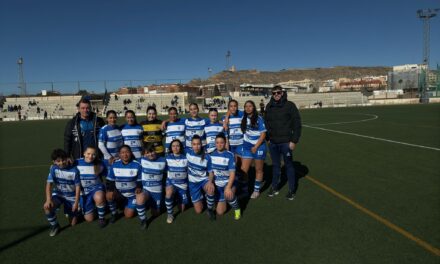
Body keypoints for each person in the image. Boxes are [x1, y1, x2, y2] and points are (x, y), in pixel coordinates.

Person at [264, 85, 302, 200]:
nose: (276, 95)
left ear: (282, 93)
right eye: (274, 93)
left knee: (289, 166)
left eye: (278, 93)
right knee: (276, 166)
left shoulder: (290, 105)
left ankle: (292, 190)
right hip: (273, 143)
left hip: (286, 143)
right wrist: (268, 139)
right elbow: (266, 124)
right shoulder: (269, 106)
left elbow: (297, 124)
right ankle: (275, 187)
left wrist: (294, 141)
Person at [43, 149, 81, 236]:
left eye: (63, 160)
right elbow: (49, 185)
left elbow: (78, 187)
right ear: (54, 162)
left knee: (73, 224)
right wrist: (48, 200)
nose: (61, 162)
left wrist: (76, 203)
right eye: (58, 161)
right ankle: (55, 226)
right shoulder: (53, 169)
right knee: (47, 207)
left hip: (71, 196)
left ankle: (77, 210)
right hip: (59, 194)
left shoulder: (74, 171)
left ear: (67, 159)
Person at [106, 145, 146, 227]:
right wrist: (112, 190)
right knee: (109, 194)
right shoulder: (115, 164)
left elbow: (140, 181)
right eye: (122, 153)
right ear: (119, 154)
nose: (125, 155)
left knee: (128, 215)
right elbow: (110, 180)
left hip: (132, 194)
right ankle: (114, 213)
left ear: (131, 153)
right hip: (119, 193)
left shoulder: (137, 165)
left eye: (127, 152)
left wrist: (138, 187)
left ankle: (131, 205)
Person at [239, 100, 267, 199]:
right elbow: (231, 110)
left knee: (258, 169)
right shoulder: (243, 117)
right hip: (247, 146)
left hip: (258, 146)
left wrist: (255, 147)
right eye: (246, 106)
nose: (248, 108)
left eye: (250, 106)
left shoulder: (259, 118)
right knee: (244, 170)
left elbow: (263, 134)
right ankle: (245, 190)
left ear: (253, 107)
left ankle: (256, 190)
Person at [211, 133, 241, 220]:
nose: (219, 144)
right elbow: (211, 172)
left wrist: (228, 187)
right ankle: (221, 197)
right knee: (220, 212)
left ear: (225, 143)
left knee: (229, 196)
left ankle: (237, 208)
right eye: (217, 142)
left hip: (228, 183)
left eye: (221, 142)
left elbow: (232, 174)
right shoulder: (211, 155)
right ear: (215, 143)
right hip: (217, 185)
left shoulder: (230, 155)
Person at [186, 135, 216, 220]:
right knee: (198, 211)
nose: (196, 146)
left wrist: (210, 182)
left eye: (198, 144)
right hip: (193, 183)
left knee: (211, 189)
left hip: (203, 180)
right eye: (194, 144)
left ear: (201, 145)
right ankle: (202, 196)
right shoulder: (187, 152)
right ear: (191, 145)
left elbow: (210, 173)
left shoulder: (207, 157)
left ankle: (210, 209)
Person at [76, 147, 107, 227]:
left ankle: (101, 218)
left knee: (99, 197)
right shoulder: (76, 163)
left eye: (93, 154)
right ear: (84, 153)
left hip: (96, 188)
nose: (90, 156)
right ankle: (96, 206)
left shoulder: (100, 164)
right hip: (83, 191)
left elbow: (108, 175)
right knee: (89, 219)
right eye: (88, 154)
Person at [137, 143, 166, 222]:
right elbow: (130, 162)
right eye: (147, 152)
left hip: (157, 191)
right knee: (140, 198)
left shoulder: (163, 160)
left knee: (156, 213)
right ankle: (143, 220)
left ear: (155, 151)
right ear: (144, 154)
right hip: (146, 190)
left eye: (152, 151)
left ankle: (159, 203)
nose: (150, 154)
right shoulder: (141, 160)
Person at [164, 139, 188, 224]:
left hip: (182, 185)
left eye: (177, 146)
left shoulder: (186, 158)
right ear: (171, 147)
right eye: (173, 146)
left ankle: (177, 197)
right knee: (169, 192)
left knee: (182, 209)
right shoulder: (167, 158)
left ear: (180, 147)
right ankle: (170, 214)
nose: (175, 148)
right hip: (171, 183)